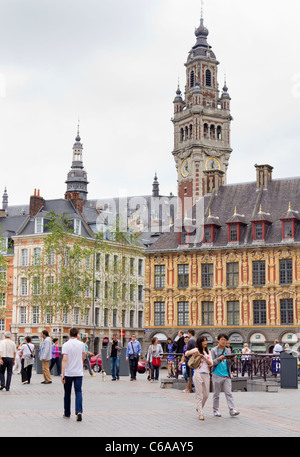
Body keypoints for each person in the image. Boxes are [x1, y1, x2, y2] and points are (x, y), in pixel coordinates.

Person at [211, 333, 240, 417]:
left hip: (226, 375)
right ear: (218, 341)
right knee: (216, 394)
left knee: (229, 393)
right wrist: (219, 359)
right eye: (222, 339)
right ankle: (215, 410)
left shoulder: (227, 350)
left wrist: (233, 359)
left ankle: (232, 410)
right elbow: (211, 363)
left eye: (225, 340)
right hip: (216, 374)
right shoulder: (213, 350)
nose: (224, 341)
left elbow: (229, 363)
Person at [61, 327, 86, 421]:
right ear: (77, 334)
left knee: (67, 393)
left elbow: (64, 359)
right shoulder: (81, 344)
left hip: (68, 372)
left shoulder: (66, 345)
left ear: (69, 334)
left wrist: (62, 373)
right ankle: (79, 411)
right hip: (78, 372)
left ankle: (67, 413)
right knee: (78, 391)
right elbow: (84, 355)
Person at [185, 335, 212, 421]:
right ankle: (201, 413)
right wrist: (195, 354)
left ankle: (199, 407)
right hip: (197, 373)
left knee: (206, 395)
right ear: (200, 342)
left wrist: (204, 357)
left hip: (206, 373)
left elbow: (211, 363)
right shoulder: (197, 349)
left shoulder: (208, 352)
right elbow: (186, 353)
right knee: (199, 394)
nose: (205, 343)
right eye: (204, 341)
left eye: (206, 341)